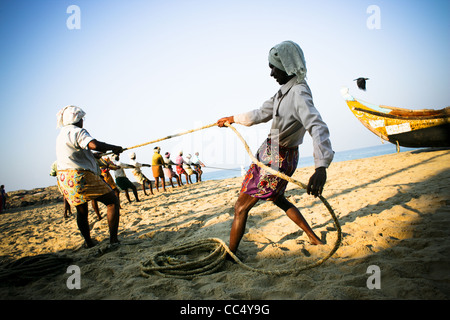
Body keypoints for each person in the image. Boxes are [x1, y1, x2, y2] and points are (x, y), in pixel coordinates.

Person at [217, 40, 334, 254]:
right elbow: (260, 113)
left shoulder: (298, 93)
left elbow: (317, 126)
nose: (271, 73)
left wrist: (321, 167)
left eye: (273, 67)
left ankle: (230, 255)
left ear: (287, 66)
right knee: (277, 198)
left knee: (240, 207)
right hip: (271, 153)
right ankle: (313, 238)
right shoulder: (283, 92)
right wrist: (232, 118)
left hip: (277, 158)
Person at [55, 105, 123, 248]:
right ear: (78, 119)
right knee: (112, 201)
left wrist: (93, 156)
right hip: (80, 176)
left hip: (65, 178)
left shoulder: (61, 135)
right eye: (82, 119)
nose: (83, 122)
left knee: (81, 210)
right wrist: (114, 147)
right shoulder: (77, 131)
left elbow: (73, 154)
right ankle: (113, 240)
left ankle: (89, 242)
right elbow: (94, 144)